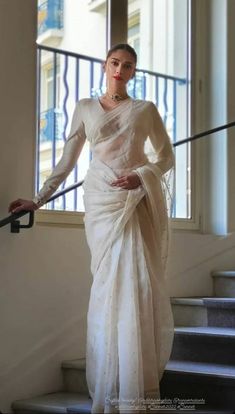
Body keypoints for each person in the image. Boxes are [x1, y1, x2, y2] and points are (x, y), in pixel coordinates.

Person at [9, 44, 175, 413]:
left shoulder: (146, 110)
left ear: (134, 72)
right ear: (105, 65)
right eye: (115, 63)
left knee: (136, 283)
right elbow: (67, 160)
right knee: (107, 285)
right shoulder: (84, 108)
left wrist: (141, 175)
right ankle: (110, 381)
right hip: (100, 202)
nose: (120, 69)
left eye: (128, 65)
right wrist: (38, 199)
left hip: (133, 202)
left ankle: (136, 387)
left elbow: (165, 157)